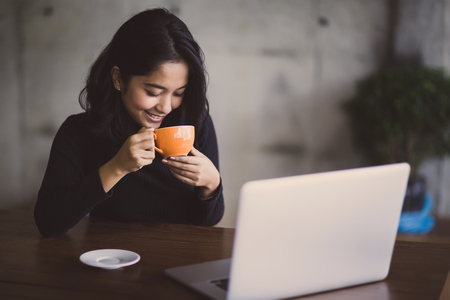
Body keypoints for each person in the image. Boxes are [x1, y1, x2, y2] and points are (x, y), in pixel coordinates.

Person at [34, 8, 224, 237]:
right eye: (153, 92)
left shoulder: (195, 124)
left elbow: (208, 224)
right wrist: (117, 167)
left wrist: (211, 186)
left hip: (177, 262)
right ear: (118, 78)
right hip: (110, 261)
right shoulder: (80, 132)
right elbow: (48, 222)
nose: (165, 107)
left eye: (178, 93)